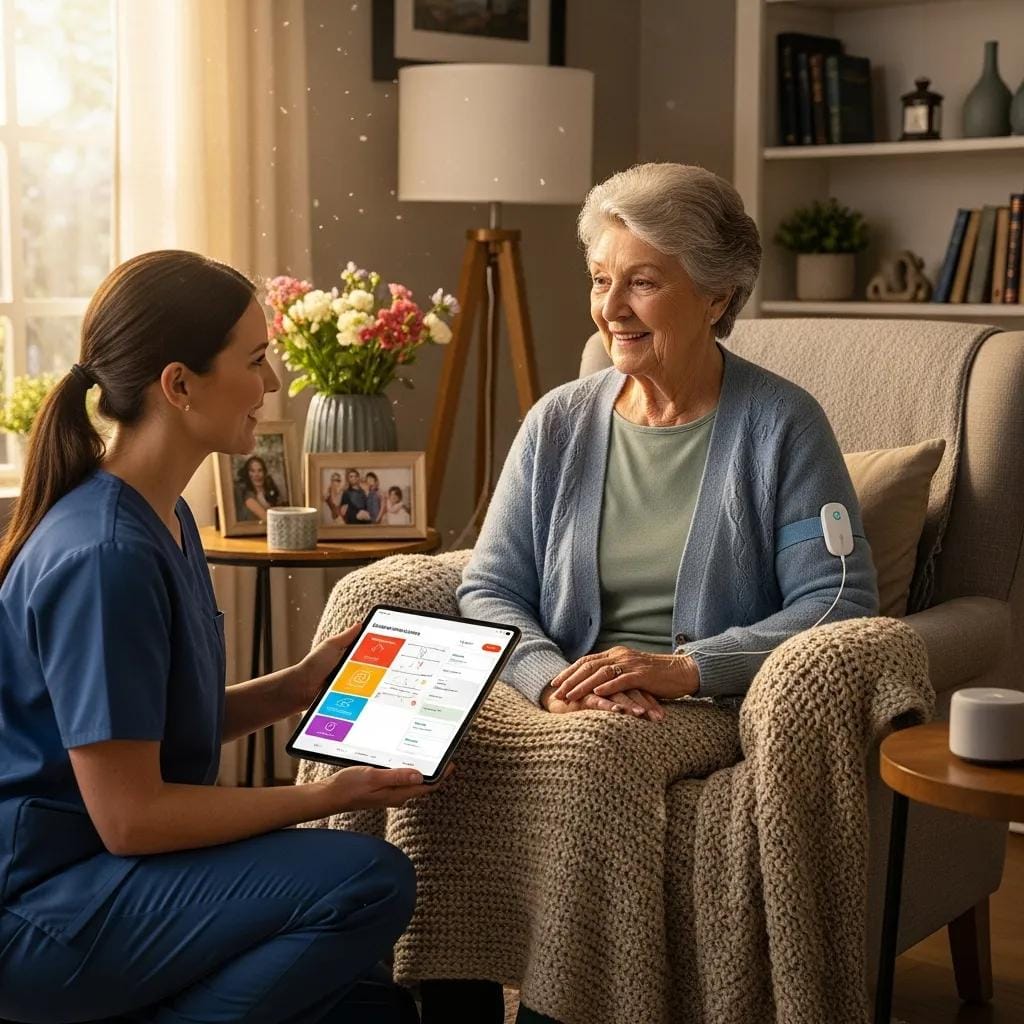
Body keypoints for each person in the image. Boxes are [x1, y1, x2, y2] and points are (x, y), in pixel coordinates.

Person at [438, 163, 879, 1023]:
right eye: (603, 280)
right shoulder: (559, 420)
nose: (612, 307)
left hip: (694, 700)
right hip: (562, 685)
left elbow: (837, 600)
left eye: (643, 281)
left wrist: (683, 668)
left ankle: (563, 1011)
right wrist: (544, 676)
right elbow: (489, 584)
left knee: (593, 761)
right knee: (435, 746)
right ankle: (437, 996)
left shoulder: (783, 425)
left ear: (717, 296)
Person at [0, 250, 441, 1024]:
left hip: (115, 873)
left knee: (371, 1009)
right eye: (257, 360)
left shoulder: (164, 517)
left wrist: (298, 685)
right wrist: (326, 797)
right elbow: (131, 815)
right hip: (44, 911)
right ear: (179, 385)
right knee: (369, 880)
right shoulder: (106, 555)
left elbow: (151, 729)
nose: (272, 385)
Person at [236, 453, 283, 521]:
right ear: (247, 474)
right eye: (252, 471)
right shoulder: (249, 495)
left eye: (260, 470)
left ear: (264, 472)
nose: (256, 475)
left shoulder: (269, 490)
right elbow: (270, 520)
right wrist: (264, 504)